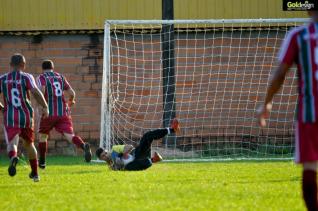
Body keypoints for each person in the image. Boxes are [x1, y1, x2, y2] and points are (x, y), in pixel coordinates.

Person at [257, 11, 318, 211]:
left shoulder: (298, 36)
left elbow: (280, 74)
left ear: (309, 10)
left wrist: (266, 103)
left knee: (310, 166)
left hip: (309, 113)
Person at [0, 53, 49, 182]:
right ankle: (35, 174)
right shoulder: (27, 77)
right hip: (26, 116)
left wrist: (2, 108)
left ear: (10, 65)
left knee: (12, 142)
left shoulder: (3, 79)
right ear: (23, 65)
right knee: (29, 144)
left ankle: (13, 157)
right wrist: (45, 106)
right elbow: (35, 92)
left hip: (10, 115)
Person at [36, 60, 92, 169]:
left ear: (42, 68)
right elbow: (72, 93)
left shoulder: (41, 77)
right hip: (63, 113)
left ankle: (42, 162)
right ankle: (83, 145)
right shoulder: (60, 77)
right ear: (53, 67)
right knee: (70, 136)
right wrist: (70, 102)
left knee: (43, 136)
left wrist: (41, 106)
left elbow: (41, 91)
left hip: (48, 112)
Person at [96, 118, 180, 171]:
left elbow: (130, 147)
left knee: (147, 135)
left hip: (138, 153)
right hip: (138, 163)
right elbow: (120, 169)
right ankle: (153, 159)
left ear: (107, 150)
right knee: (127, 168)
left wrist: (123, 153)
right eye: (103, 156)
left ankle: (172, 130)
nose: (106, 155)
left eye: (105, 153)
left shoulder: (115, 149)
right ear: (101, 159)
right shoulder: (111, 167)